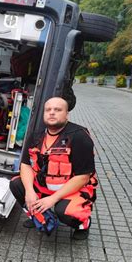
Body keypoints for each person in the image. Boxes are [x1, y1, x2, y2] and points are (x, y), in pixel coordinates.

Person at [9, 97, 98, 240]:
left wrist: (52, 199)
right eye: (48, 110)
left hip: (71, 190)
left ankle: (83, 224)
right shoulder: (36, 135)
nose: (52, 113)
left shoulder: (79, 136)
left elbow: (83, 177)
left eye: (57, 110)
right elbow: (25, 164)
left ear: (67, 114)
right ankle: (38, 216)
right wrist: (30, 192)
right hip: (43, 187)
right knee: (16, 184)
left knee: (65, 212)